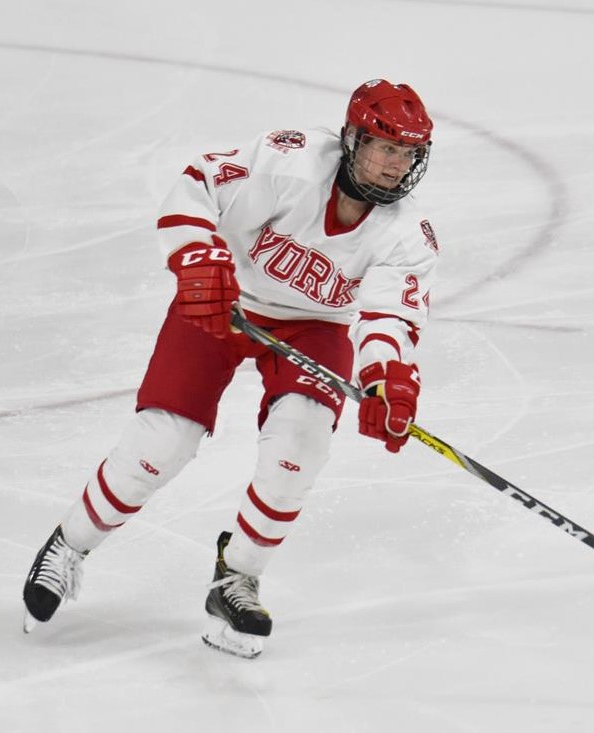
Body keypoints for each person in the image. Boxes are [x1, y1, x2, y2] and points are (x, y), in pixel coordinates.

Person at [22, 79, 439, 658]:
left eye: (408, 153)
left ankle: (237, 577)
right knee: (162, 442)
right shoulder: (291, 162)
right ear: (352, 139)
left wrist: (384, 378)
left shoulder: (407, 234)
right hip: (223, 300)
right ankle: (70, 544)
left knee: (301, 444)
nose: (396, 165)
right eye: (386, 147)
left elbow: (390, 316)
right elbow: (198, 185)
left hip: (314, 327)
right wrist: (197, 257)